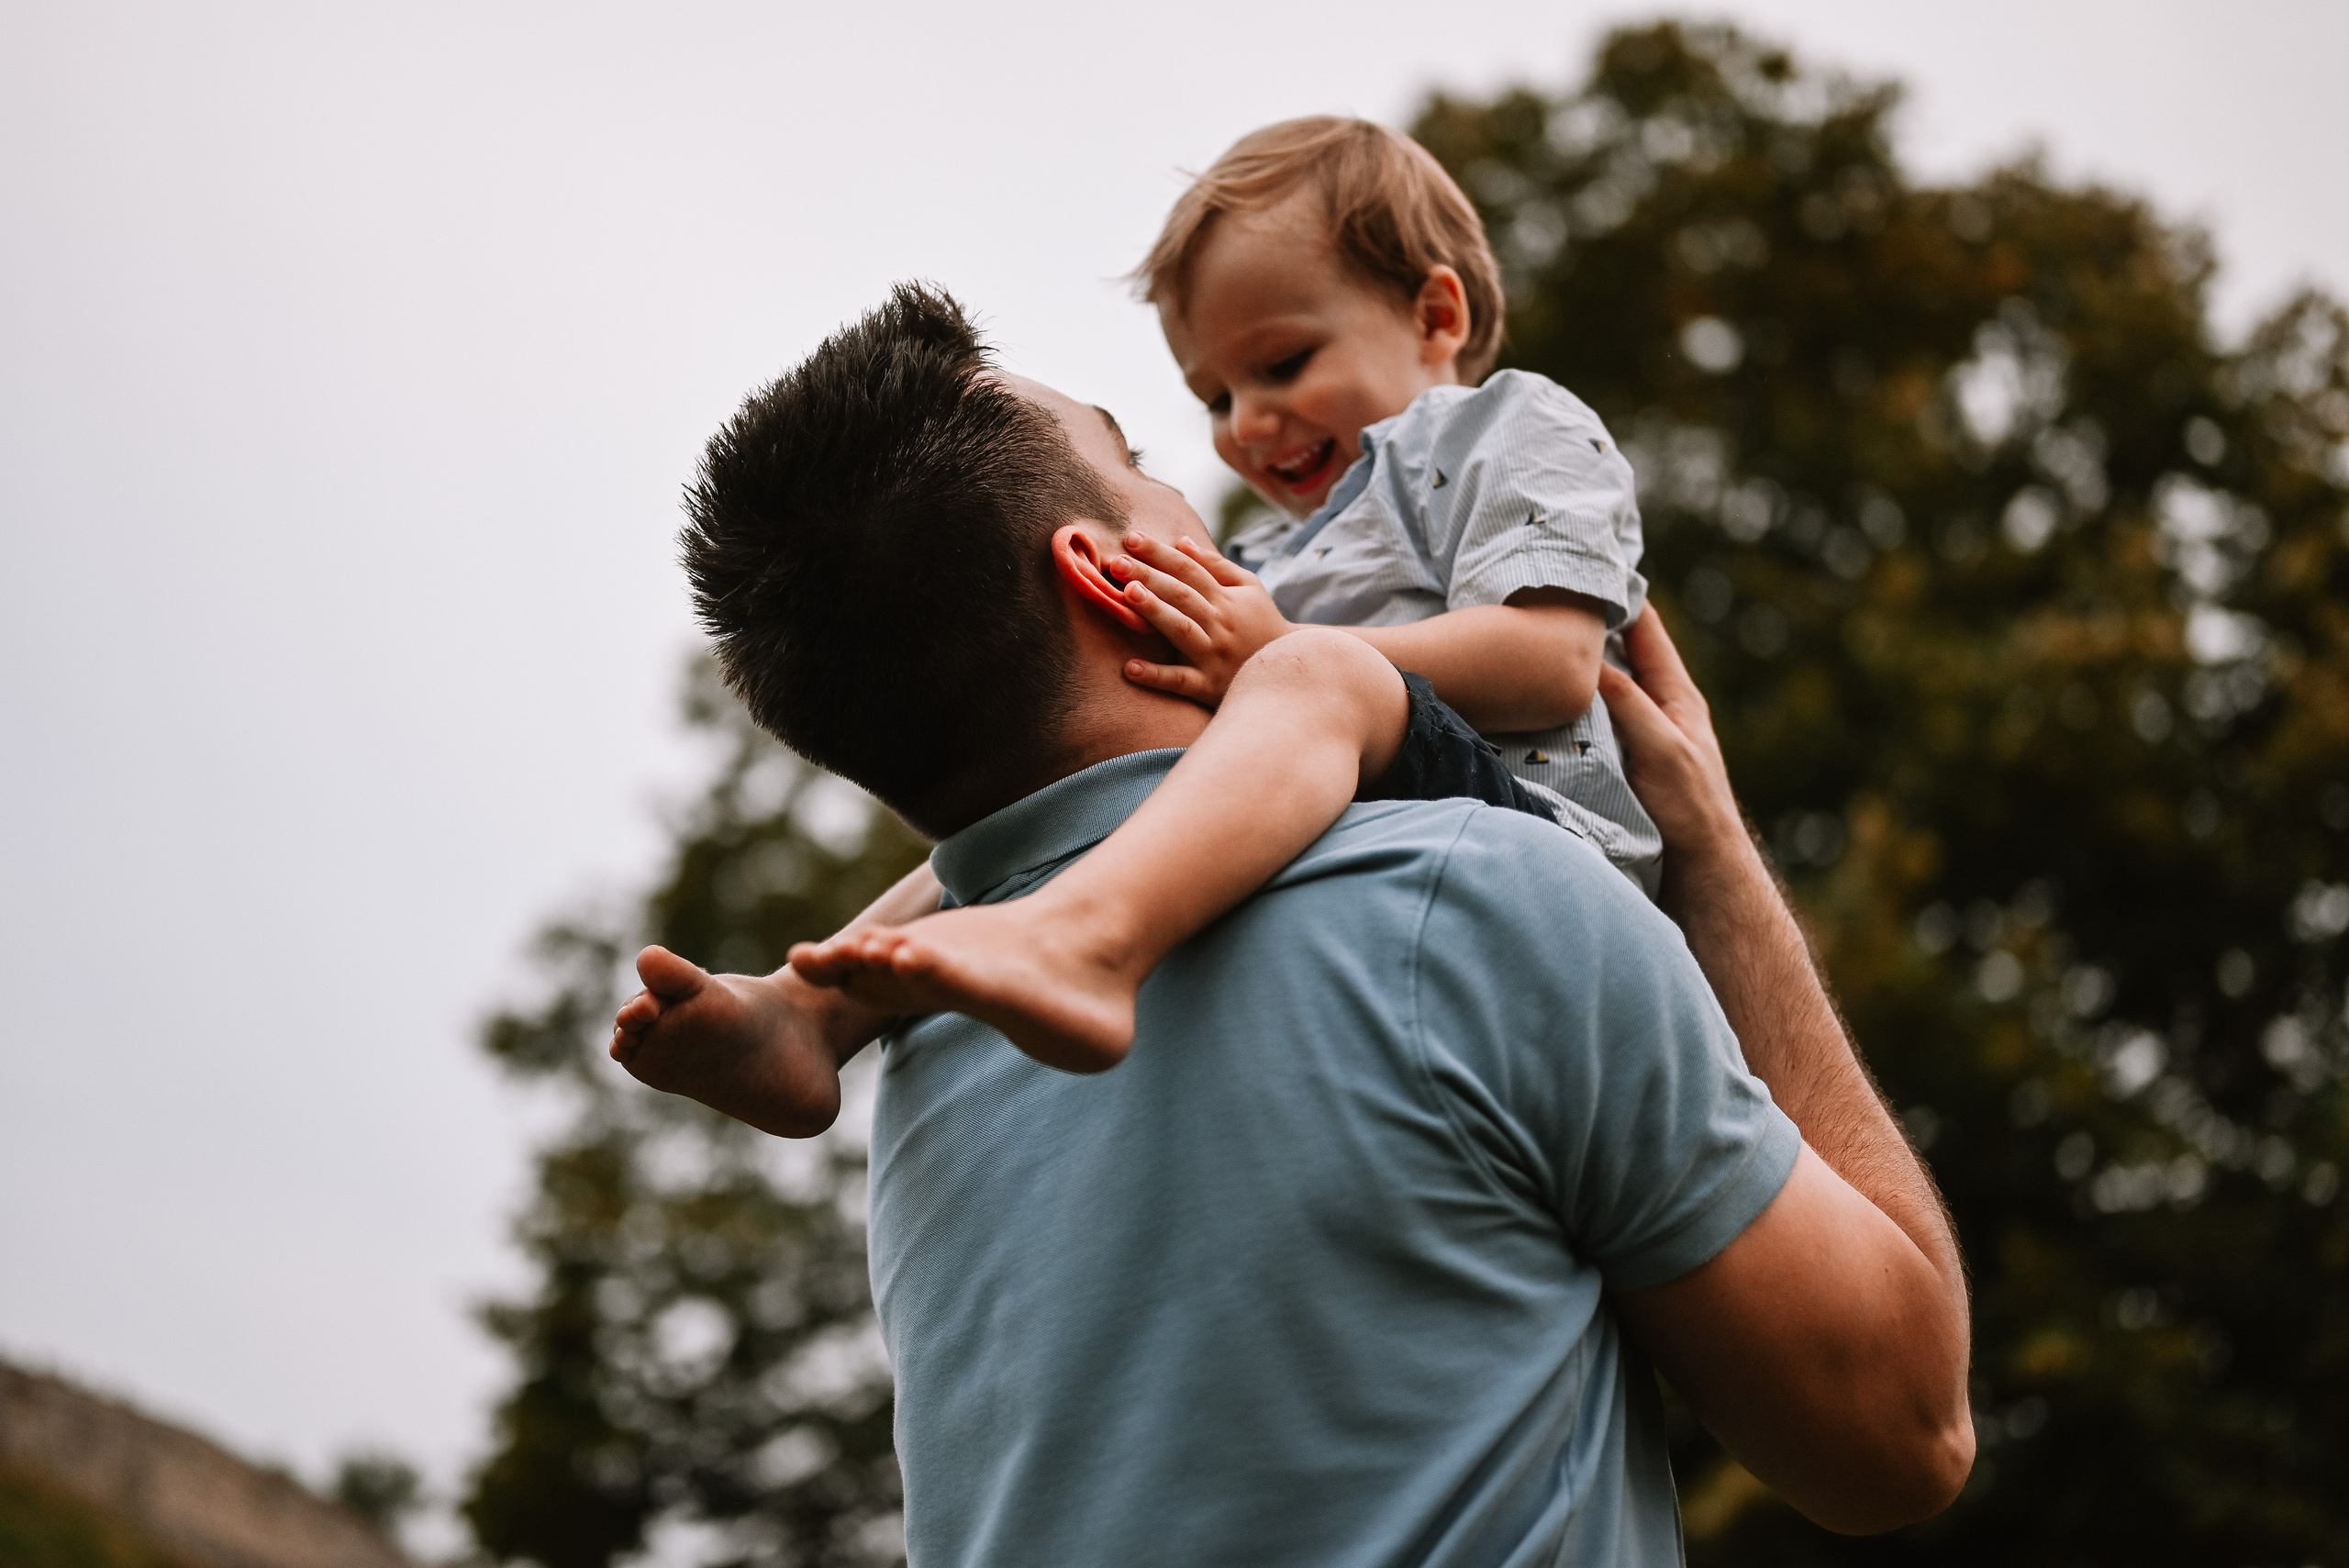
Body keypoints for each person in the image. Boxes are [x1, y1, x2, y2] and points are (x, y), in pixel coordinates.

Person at [613, 284, 1973, 1563]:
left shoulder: (924, 1073)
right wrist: (1718, 857)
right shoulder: (1471, 901)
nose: (1223, 497)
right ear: (1110, 569)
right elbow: (1900, 1438)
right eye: (1144, 453)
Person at [722, 116, 1672, 1070]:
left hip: (1539, 833)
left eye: (1282, 363)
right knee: (1081, 793)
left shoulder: (1501, 432)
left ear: (1436, 316)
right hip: (1385, 828)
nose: (1249, 422)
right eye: (1215, 397)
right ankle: (814, 1005)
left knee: (1310, 683)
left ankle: (1088, 943)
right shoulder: (1265, 560)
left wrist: (1280, 649)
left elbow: (1553, 663)